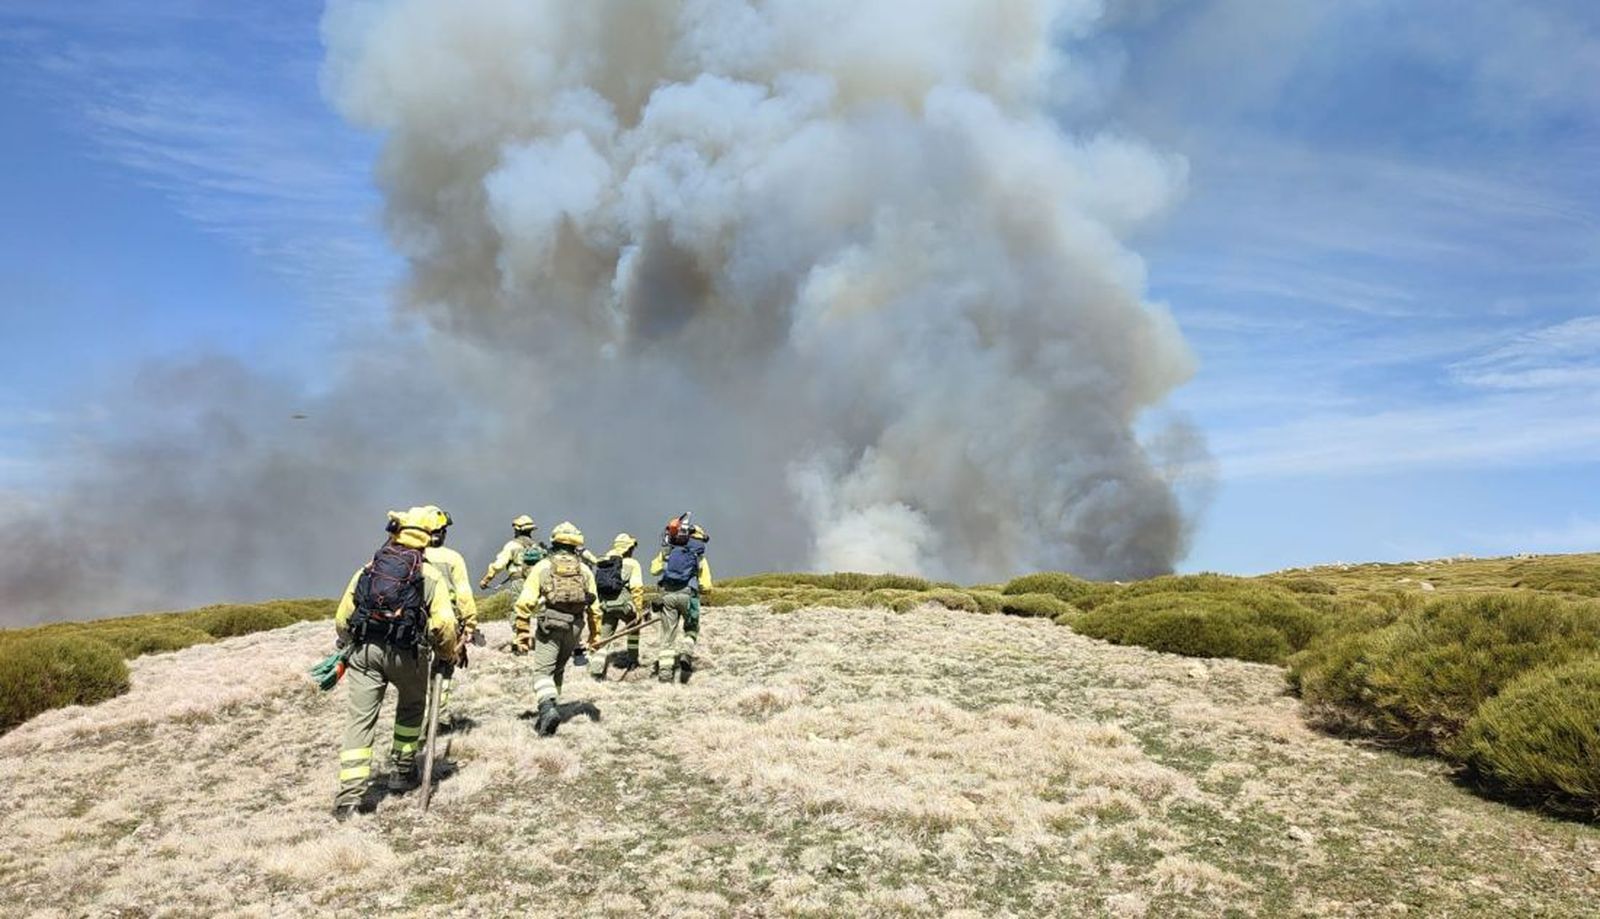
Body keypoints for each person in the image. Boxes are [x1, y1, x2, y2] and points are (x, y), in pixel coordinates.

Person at [332, 507, 459, 821]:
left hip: (364, 652)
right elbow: (443, 625)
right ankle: (402, 772)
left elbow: (342, 616)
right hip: (407, 654)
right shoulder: (429, 575)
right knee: (411, 707)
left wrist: (349, 644)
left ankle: (349, 797)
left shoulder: (369, 568)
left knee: (360, 720)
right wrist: (446, 655)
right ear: (428, 538)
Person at [513, 521, 599, 735]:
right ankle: (553, 708)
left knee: (543, 671)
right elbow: (595, 609)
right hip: (575, 626)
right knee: (558, 670)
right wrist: (594, 636)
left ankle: (547, 707)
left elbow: (524, 602)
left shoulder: (543, 567)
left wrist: (522, 632)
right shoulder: (585, 569)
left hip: (550, 624)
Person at [418, 506, 479, 719]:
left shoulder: (411, 554)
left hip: (415, 623)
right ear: (442, 532)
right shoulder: (453, 558)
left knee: (416, 671)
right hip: (447, 622)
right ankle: (439, 716)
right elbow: (463, 593)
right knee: (443, 667)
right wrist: (470, 624)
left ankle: (417, 716)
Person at [649, 515, 712, 684]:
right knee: (691, 628)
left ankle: (665, 675)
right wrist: (702, 590)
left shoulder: (668, 551)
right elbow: (707, 585)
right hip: (689, 596)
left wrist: (665, 565)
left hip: (668, 597)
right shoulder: (698, 556)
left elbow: (653, 570)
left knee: (667, 636)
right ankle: (686, 650)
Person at [588, 533, 646, 680]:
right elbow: (637, 588)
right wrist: (638, 609)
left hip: (606, 606)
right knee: (634, 631)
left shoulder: (604, 562)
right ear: (628, 548)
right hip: (625, 606)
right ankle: (633, 661)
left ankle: (596, 670)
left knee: (604, 639)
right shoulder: (632, 564)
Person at [479, 515, 541, 596]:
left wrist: (486, 580)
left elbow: (498, 566)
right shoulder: (537, 547)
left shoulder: (512, 545)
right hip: (536, 583)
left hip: (519, 582)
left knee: (519, 607)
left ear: (517, 530)